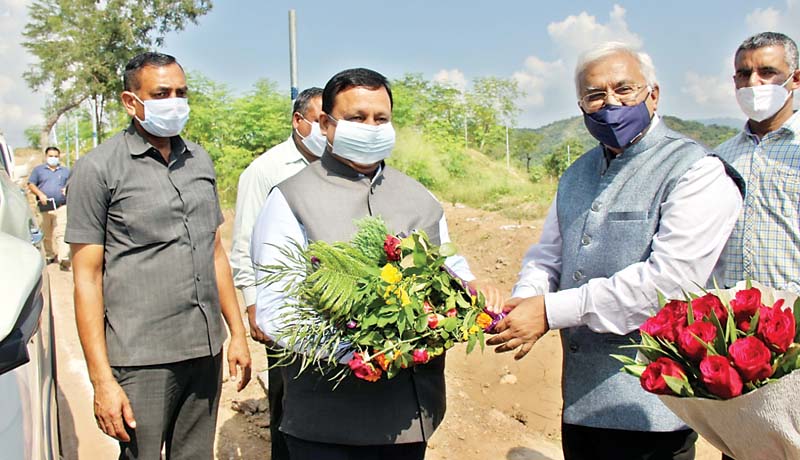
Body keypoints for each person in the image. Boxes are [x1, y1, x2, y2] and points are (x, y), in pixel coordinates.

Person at [486, 42, 744, 460]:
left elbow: (667, 284)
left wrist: (550, 311)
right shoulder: (576, 173)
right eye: (595, 95)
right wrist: (528, 294)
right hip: (582, 403)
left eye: (624, 90)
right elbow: (549, 253)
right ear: (581, 106)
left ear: (653, 94)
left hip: (654, 408)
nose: (611, 104)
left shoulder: (696, 171)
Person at [252, 67, 500, 460]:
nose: (371, 127)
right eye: (356, 118)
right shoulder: (290, 198)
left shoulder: (419, 197)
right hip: (326, 422)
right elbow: (276, 311)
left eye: (380, 119)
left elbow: (449, 263)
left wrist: (471, 290)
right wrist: (364, 348)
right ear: (325, 124)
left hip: (408, 417)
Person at [65, 52, 251, 459]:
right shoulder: (98, 170)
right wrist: (102, 381)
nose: (175, 102)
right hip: (142, 357)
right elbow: (86, 278)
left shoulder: (198, 160)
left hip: (204, 350)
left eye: (181, 92)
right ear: (131, 102)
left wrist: (236, 332)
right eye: (161, 93)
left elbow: (213, 250)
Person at [229, 86, 323, 460]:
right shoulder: (265, 171)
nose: (326, 130)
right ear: (298, 122)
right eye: (319, 122)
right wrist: (253, 304)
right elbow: (244, 242)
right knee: (287, 403)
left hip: (332, 305)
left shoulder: (338, 164)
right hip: (285, 306)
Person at [717, 32, 800, 295]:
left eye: (767, 72)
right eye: (744, 74)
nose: (754, 82)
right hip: (730, 316)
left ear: (795, 79)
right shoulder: (720, 158)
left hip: (793, 312)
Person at [28, 146, 70, 270]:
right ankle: (50, 255)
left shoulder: (65, 171)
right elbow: (31, 184)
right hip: (45, 207)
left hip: (62, 206)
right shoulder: (38, 170)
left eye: (56, 156)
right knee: (47, 234)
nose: (53, 158)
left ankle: (64, 258)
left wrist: (67, 189)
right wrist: (40, 194)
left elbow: (72, 183)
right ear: (46, 157)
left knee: (61, 233)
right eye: (51, 156)